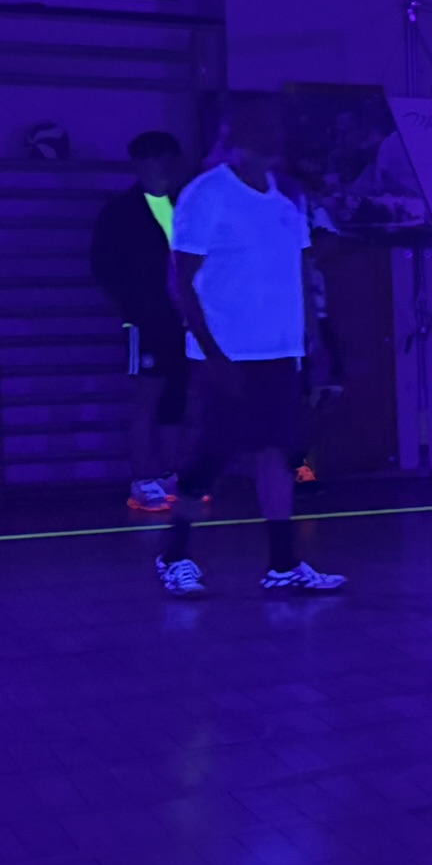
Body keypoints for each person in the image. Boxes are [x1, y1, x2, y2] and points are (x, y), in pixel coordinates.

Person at [155, 94, 345, 597]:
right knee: (208, 458)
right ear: (234, 134)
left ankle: (282, 564)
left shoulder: (289, 196)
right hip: (225, 357)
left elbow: (300, 273)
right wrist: (213, 354)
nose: (273, 133)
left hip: (280, 355)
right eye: (261, 124)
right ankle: (174, 555)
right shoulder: (206, 194)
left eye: (277, 124)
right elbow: (180, 282)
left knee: (279, 454)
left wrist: (315, 343)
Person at [90, 131, 189, 511]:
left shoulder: (186, 206)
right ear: (140, 163)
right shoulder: (120, 213)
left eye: (166, 159)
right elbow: (103, 270)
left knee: (176, 396)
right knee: (147, 395)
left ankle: (169, 474)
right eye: (152, 159)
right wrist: (131, 313)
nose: (161, 167)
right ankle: (142, 479)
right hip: (145, 320)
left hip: (184, 319)